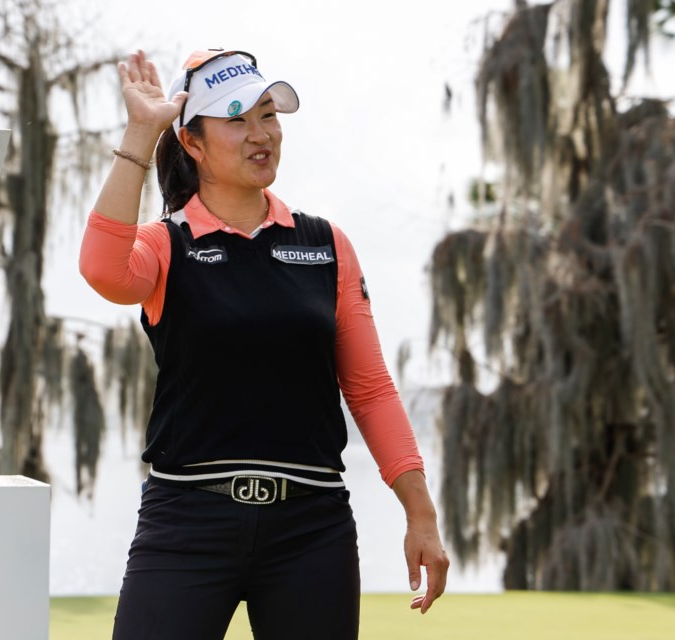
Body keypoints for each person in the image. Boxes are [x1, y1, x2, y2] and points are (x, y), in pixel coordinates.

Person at [80, 49, 449, 639]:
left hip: (310, 527)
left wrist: (420, 513)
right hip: (188, 521)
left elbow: (370, 387)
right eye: (236, 119)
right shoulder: (166, 243)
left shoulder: (326, 244)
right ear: (193, 143)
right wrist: (140, 136)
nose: (261, 135)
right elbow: (103, 271)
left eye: (268, 114)